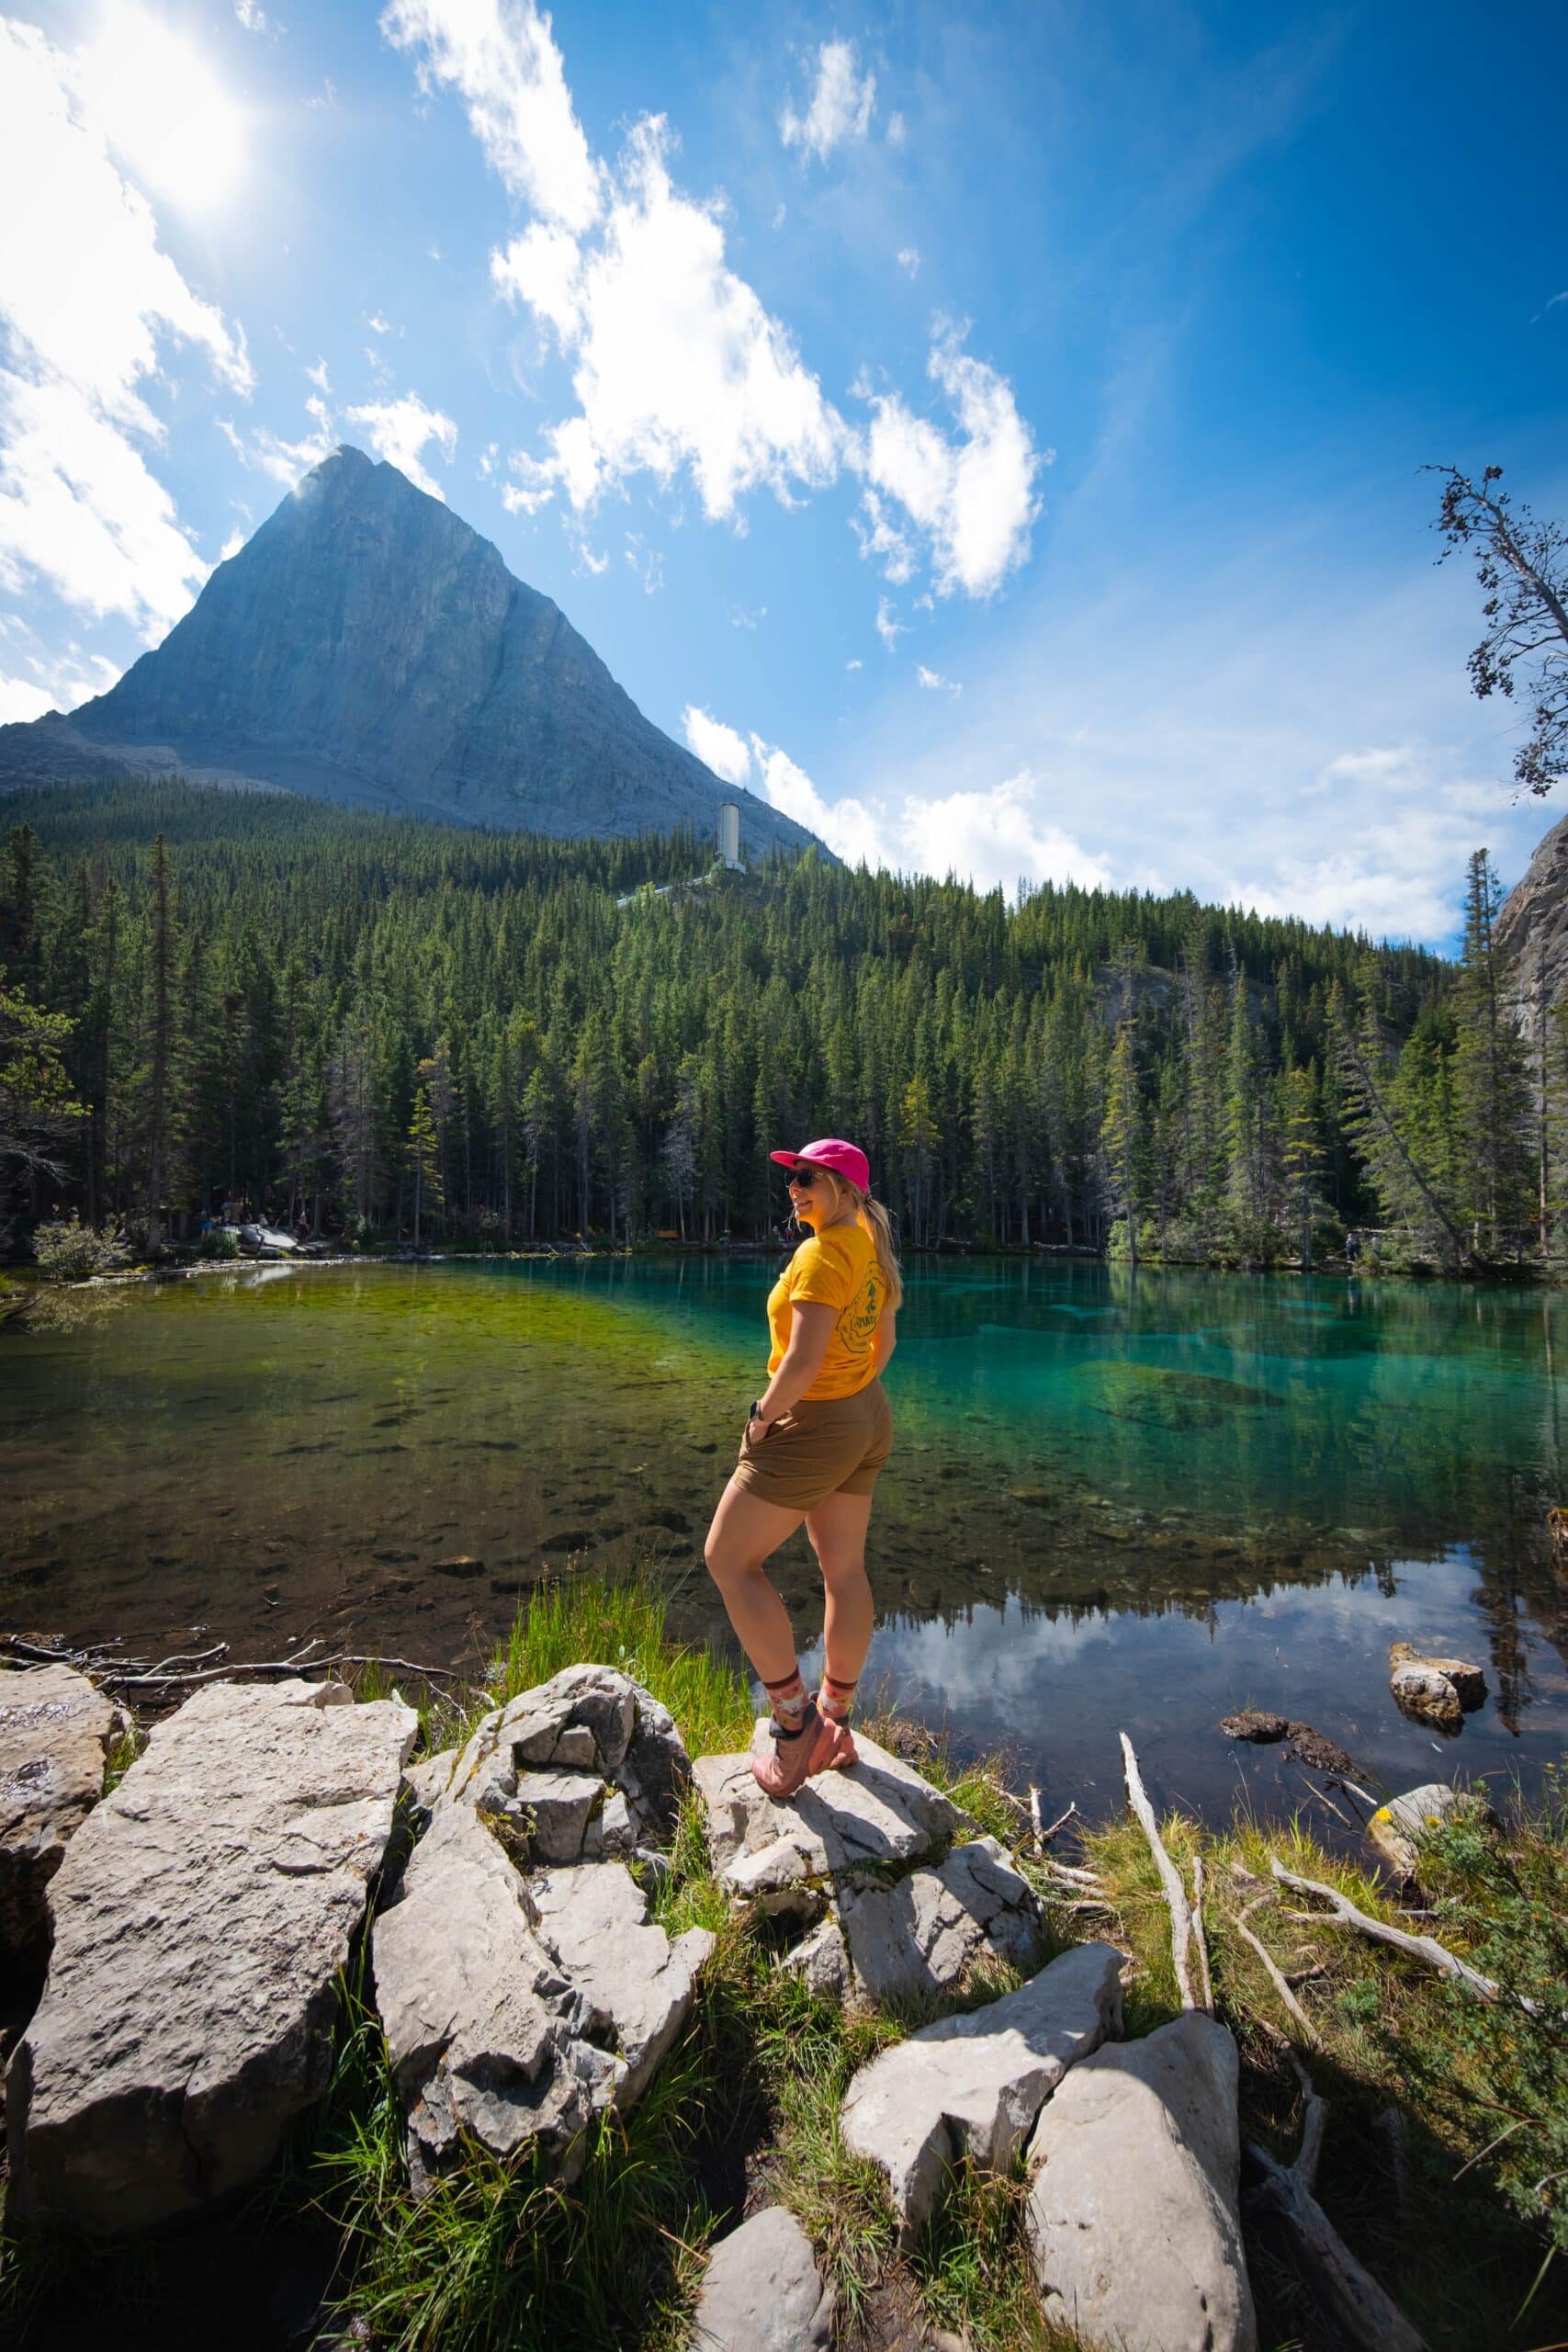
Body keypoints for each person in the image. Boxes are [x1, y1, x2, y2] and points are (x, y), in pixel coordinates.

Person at [704, 1138, 901, 1800]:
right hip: (865, 1414)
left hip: (814, 1420)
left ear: (846, 1189)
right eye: (792, 1179)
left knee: (728, 1560)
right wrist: (851, 1402)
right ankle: (836, 1724)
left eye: (809, 1178)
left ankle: (795, 1729)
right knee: (842, 1571)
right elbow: (885, 1343)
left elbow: (803, 1361)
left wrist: (763, 1417)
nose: (795, 1188)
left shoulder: (820, 1255)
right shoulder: (868, 1246)